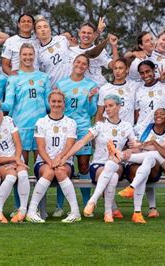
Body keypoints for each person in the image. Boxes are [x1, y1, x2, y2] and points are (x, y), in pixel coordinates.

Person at [60, 94, 135, 223]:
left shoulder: (127, 126)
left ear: (119, 106)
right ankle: (108, 212)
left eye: (111, 106)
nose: (108, 109)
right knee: (113, 176)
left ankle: (94, 201)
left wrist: (130, 150)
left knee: (113, 171)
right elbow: (82, 142)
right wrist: (66, 156)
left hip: (117, 165)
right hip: (99, 164)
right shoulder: (99, 125)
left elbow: (135, 146)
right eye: (106, 106)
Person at [0, 43, 52, 215]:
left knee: (40, 168)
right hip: (20, 127)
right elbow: (9, 103)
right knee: (19, 168)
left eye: (31, 54)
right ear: (19, 56)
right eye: (25, 55)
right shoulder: (13, 78)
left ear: (34, 56)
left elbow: (47, 104)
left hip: (40, 128)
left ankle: (38, 207)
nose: (28, 57)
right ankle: (18, 206)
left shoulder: (43, 78)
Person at [26, 90, 81, 223]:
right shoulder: (41, 122)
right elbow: (40, 147)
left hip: (65, 161)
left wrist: (59, 159)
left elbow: (69, 145)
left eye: (59, 101)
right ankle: (31, 211)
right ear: (49, 103)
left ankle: (75, 212)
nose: (56, 104)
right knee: (50, 171)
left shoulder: (70, 122)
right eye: (53, 101)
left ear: (64, 104)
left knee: (60, 171)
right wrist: (50, 161)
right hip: (44, 162)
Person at [53, 54, 98, 217]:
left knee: (84, 166)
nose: (80, 65)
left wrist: (91, 99)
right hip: (64, 128)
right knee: (61, 165)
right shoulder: (61, 84)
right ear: (73, 63)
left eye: (84, 63)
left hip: (82, 128)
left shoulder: (91, 85)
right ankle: (59, 205)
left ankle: (87, 205)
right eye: (78, 62)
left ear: (87, 67)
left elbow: (92, 112)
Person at [0, 99, 30, 223]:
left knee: (23, 174)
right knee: (11, 176)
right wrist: (13, 159)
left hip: (16, 158)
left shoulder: (8, 120)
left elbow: (18, 143)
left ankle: (22, 211)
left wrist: (17, 159)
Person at [125, 108, 165, 218]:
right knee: (143, 170)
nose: (158, 116)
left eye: (161, 114)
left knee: (149, 161)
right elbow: (134, 145)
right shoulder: (143, 129)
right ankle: (141, 211)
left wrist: (145, 145)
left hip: (154, 167)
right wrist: (135, 147)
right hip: (136, 163)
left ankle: (139, 209)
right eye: (156, 114)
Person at [68, 19, 119, 86]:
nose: (86, 35)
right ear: (79, 33)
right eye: (83, 32)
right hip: (76, 89)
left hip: (97, 88)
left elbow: (114, 66)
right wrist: (98, 31)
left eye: (89, 33)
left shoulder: (99, 50)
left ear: (93, 35)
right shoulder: (70, 50)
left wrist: (114, 46)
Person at [95, 57, 138, 125]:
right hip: (109, 130)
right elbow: (100, 114)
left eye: (120, 68)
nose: (117, 71)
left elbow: (136, 112)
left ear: (127, 70)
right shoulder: (104, 89)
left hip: (126, 131)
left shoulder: (134, 86)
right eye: (115, 68)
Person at [34, 17, 73, 87]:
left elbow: (77, 49)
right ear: (36, 33)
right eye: (39, 28)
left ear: (50, 29)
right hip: (55, 88)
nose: (43, 29)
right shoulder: (37, 53)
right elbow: (38, 74)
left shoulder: (62, 39)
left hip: (71, 84)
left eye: (45, 27)